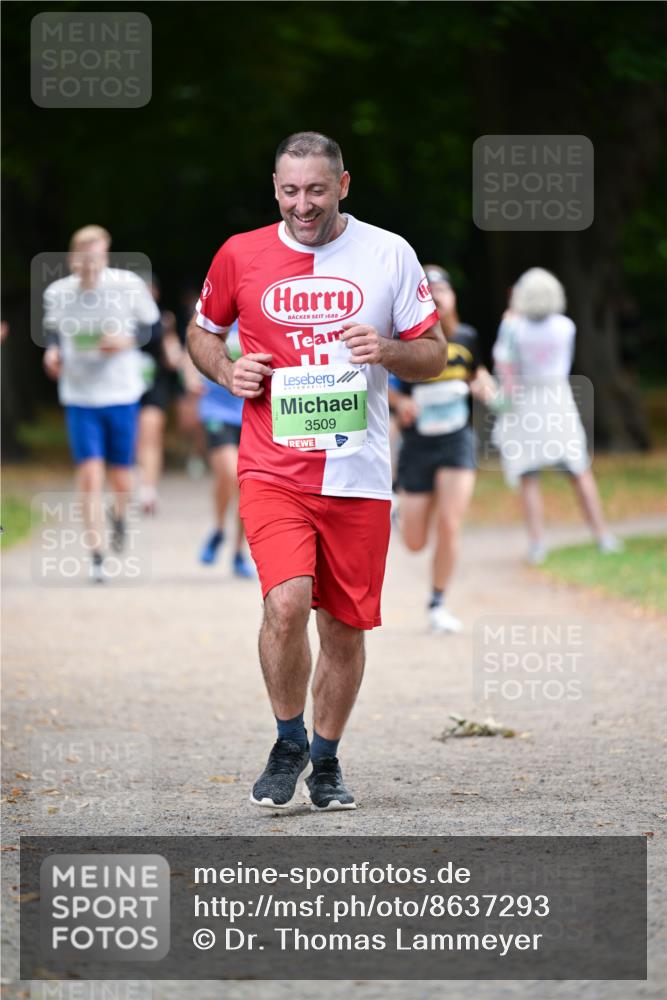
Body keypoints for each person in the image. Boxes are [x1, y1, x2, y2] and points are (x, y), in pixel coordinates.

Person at [187, 131, 446, 811]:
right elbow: (203, 332)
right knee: (285, 600)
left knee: (344, 628)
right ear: (274, 187)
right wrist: (224, 369)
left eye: (317, 190)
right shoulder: (240, 253)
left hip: (357, 473)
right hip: (273, 464)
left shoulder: (388, 253)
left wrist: (388, 348)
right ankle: (285, 739)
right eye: (289, 190)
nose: (303, 204)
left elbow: (435, 353)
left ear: (343, 185)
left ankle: (325, 760)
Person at [42, 225, 159, 582]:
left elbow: (149, 327)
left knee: (121, 478)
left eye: (98, 256)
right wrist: (52, 353)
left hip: (120, 393)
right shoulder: (58, 292)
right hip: (79, 395)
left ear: (105, 254)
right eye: (85, 257)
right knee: (90, 474)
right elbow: (51, 332)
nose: (91, 264)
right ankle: (96, 554)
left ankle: (120, 515)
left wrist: (124, 342)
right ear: (74, 258)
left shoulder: (127, 285)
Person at [491, 267, 622, 564]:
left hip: (526, 401)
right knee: (578, 469)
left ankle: (538, 543)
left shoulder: (514, 328)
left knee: (528, 475)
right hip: (559, 398)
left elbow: (505, 367)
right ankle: (602, 535)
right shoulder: (566, 326)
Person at [389, 266, 495, 633]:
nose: (435, 296)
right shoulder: (406, 341)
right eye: (428, 291)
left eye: (442, 290)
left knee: (450, 523)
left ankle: (437, 603)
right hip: (418, 443)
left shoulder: (467, 337)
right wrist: (400, 402)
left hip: (456, 440)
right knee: (415, 543)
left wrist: (485, 385)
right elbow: (383, 385)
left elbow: (477, 372)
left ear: (453, 298)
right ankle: (399, 509)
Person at [197, 321, 255, 577]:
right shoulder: (212, 317)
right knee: (230, 474)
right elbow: (194, 351)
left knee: (246, 483)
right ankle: (219, 528)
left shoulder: (259, 315)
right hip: (216, 411)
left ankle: (238, 552)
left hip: (252, 412)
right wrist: (189, 378)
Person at [136, 279, 184, 515]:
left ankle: (148, 490)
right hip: (125, 388)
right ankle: (134, 484)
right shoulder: (120, 319)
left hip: (155, 384)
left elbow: (173, 360)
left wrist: (170, 333)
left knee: (151, 435)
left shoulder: (163, 320)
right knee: (134, 439)